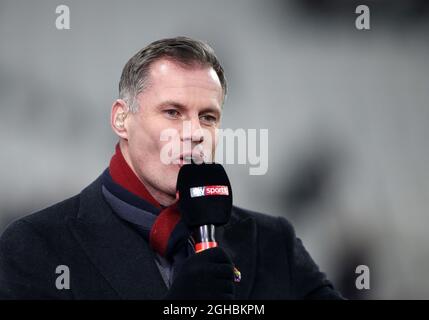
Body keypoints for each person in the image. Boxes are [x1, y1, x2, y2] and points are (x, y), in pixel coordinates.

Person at [0, 36, 343, 299]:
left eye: (207, 117)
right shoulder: (36, 245)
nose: (193, 133)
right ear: (121, 119)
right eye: (172, 112)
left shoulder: (272, 242)